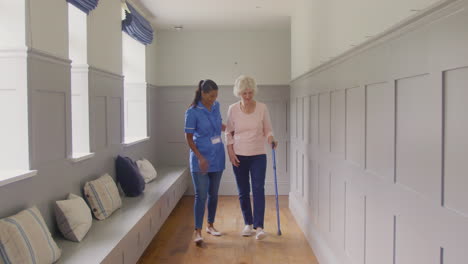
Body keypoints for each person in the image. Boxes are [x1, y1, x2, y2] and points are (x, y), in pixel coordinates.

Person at [225, 75, 277, 240]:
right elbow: (228, 132)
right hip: (239, 155)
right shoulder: (232, 109)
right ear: (239, 93)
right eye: (244, 93)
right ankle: (248, 223)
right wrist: (231, 153)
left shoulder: (262, 108)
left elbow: (268, 129)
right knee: (243, 191)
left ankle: (259, 226)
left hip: (258, 155)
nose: (247, 97)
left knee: (258, 189)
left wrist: (271, 139)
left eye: (250, 93)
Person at [184, 79, 226, 244]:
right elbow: (188, 138)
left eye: (215, 96)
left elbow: (218, 125)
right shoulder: (192, 112)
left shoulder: (216, 106)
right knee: (201, 195)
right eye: (210, 96)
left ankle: (210, 225)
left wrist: (229, 127)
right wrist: (200, 157)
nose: (213, 99)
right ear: (202, 93)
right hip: (200, 159)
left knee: (213, 195)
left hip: (218, 155)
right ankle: (197, 231)